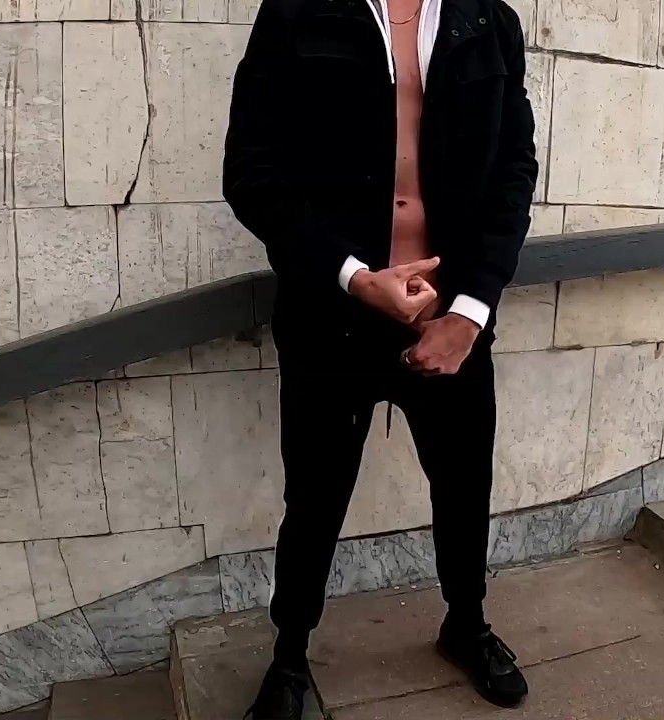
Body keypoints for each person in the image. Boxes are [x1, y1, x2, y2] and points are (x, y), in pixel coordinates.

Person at [221, 0, 537, 712]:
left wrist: (470, 311)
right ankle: (289, 654)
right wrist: (354, 277)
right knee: (314, 498)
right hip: (330, 316)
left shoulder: (489, 21)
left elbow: (513, 171)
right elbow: (251, 171)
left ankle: (467, 624)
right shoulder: (299, 12)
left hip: (449, 318)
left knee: (464, 486)